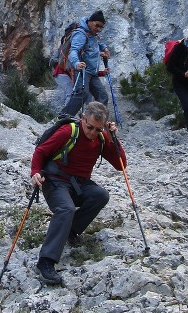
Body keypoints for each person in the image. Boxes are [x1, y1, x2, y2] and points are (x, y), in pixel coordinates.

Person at [30, 101, 127, 286]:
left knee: (101, 196)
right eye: (90, 127)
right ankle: (46, 262)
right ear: (83, 118)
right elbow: (41, 151)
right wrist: (35, 172)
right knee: (65, 209)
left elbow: (120, 164)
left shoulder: (102, 137)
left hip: (79, 184)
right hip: (55, 181)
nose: (93, 132)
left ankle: (70, 231)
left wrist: (114, 138)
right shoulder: (68, 132)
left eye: (98, 129)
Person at [58, 10, 111, 117]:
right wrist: (76, 63)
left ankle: (94, 121)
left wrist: (105, 48)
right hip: (82, 71)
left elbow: (98, 43)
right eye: (97, 26)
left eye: (101, 27)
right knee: (82, 94)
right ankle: (63, 118)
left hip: (92, 72)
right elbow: (73, 51)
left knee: (103, 96)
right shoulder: (80, 34)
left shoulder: (93, 34)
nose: (99, 29)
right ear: (90, 22)